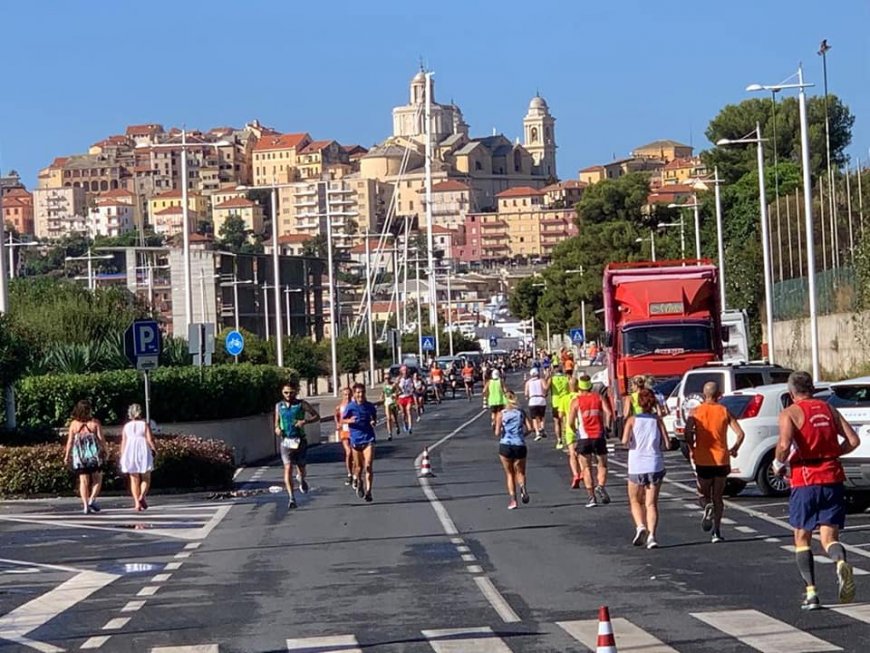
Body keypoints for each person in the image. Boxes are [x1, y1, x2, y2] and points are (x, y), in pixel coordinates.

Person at [775, 371, 860, 610]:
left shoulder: (790, 412)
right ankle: (840, 560)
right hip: (832, 477)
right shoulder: (829, 410)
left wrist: (778, 464)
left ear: (791, 393)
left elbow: (783, 445)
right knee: (829, 539)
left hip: (805, 479)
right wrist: (832, 453)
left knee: (802, 538)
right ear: (811, 388)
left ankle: (811, 593)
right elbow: (853, 440)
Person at [684, 381, 745, 543]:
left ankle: (706, 506)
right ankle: (716, 532)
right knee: (718, 496)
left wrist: (692, 447)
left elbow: (687, 433)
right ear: (719, 395)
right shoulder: (724, 411)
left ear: (704, 395)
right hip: (722, 460)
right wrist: (734, 448)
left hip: (703, 459)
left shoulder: (696, 412)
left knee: (703, 494)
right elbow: (740, 433)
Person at [622, 389, 670, 549]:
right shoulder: (657, 420)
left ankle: (640, 526)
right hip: (655, 464)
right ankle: (652, 537)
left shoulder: (632, 420)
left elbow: (624, 441)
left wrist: (632, 444)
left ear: (638, 403)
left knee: (635, 500)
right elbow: (667, 444)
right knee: (651, 504)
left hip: (636, 464)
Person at [569, 374, 613, 508]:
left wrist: (575, 430)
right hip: (599, 436)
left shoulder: (576, 401)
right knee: (602, 464)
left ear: (579, 387)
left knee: (586, 467)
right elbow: (609, 413)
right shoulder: (598, 397)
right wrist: (607, 427)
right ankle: (600, 486)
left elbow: (570, 422)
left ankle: (591, 497)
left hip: (584, 437)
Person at [274, 382, 321, 509]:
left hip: (300, 440)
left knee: (301, 467)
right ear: (282, 393)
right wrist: (277, 429)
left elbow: (317, 416)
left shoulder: (301, 404)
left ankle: (301, 479)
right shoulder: (279, 406)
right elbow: (277, 423)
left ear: (295, 392)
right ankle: (291, 497)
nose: (289, 395)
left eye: (291, 392)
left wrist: (304, 421)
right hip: (286, 441)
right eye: (286, 392)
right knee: (288, 468)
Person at [63, 399, 106, 515]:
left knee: (83, 481)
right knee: (97, 478)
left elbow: (70, 441)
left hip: (80, 456)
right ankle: (92, 499)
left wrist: (67, 455)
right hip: (93, 455)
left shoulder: (74, 424)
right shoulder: (95, 423)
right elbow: (101, 439)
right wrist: (105, 451)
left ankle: (86, 505)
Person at [342, 384, 378, 502]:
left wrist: (373, 421)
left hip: (368, 439)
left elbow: (374, 417)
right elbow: (342, 420)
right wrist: (349, 420)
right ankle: (359, 480)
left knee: (368, 466)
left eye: (362, 392)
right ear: (354, 394)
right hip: (356, 440)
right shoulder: (350, 407)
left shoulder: (369, 406)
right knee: (358, 468)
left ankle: (369, 492)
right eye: (358, 392)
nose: (360, 395)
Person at [119, 403, 158, 511]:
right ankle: (142, 496)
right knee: (146, 477)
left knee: (134, 479)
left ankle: (137, 503)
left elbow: (124, 441)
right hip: (143, 450)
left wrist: (122, 455)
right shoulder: (144, 424)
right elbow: (150, 439)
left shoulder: (126, 426)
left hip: (130, 450)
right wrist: (154, 449)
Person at [498, 391, 531, 510]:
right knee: (520, 472)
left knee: (509, 473)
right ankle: (523, 487)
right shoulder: (521, 412)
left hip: (506, 444)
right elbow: (530, 428)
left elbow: (497, 432)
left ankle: (513, 500)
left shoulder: (502, 413)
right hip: (519, 444)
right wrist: (522, 435)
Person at [545, 364, 569, 448]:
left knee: (557, 422)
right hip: (566, 401)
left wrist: (547, 377)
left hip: (556, 402)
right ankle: (567, 438)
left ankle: (559, 440)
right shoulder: (566, 378)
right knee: (566, 421)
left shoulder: (552, 379)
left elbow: (546, 389)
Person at [334, 387, 354, 486]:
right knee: (349, 452)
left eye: (349, 394)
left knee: (355, 454)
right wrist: (338, 424)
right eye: (345, 394)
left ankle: (355, 474)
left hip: (355, 431)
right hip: (344, 432)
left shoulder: (355, 405)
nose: (347, 396)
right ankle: (350, 474)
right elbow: (336, 415)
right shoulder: (340, 406)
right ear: (342, 395)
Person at [524, 367, 548, 439]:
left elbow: (526, 393)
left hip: (532, 400)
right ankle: (542, 428)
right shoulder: (541, 380)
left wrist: (527, 396)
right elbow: (545, 388)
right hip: (541, 399)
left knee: (534, 418)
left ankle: (537, 433)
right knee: (542, 416)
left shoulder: (528, 382)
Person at [483, 369, 508, 437]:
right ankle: (498, 424)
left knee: (493, 413)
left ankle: (493, 422)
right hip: (500, 400)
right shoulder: (500, 381)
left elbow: (484, 390)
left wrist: (486, 396)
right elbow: (505, 390)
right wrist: (507, 394)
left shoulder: (489, 382)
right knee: (500, 413)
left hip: (492, 401)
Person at [397, 366, 416, 434]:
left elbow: (413, 387)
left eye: (405, 370)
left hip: (408, 397)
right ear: (401, 371)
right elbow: (396, 387)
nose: (404, 372)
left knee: (408, 411)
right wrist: (398, 391)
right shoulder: (399, 379)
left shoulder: (410, 378)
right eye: (403, 370)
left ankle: (410, 427)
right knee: (403, 413)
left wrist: (412, 390)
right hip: (401, 398)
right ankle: (405, 423)